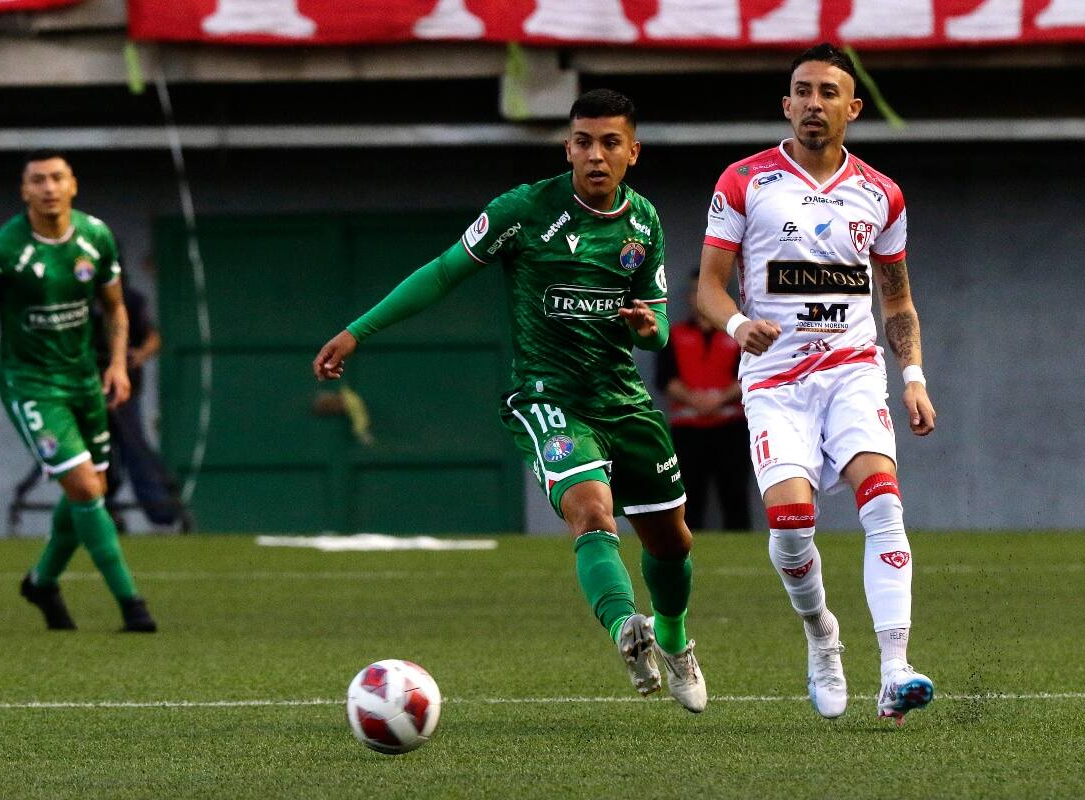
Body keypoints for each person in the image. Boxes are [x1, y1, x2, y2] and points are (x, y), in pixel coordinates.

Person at [314, 89, 706, 712]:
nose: (596, 155)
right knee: (591, 513)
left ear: (632, 152)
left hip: (623, 401)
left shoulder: (644, 222)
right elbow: (444, 271)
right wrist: (357, 330)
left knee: (672, 542)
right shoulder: (522, 211)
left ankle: (674, 640)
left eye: (610, 143)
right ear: (567, 148)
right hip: (548, 396)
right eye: (583, 142)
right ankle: (625, 627)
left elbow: (656, 326)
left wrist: (646, 327)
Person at [698, 43, 937, 723]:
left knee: (883, 500)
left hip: (852, 372)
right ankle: (821, 634)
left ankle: (895, 669)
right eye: (802, 91)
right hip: (775, 382)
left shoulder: (882, 194)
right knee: (792, 524)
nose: (813, 103)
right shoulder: (744, 181)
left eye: (828, 92)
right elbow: (710, 288)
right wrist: (738, 324)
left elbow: (897, 300)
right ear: (786, 104)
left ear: (852, 108)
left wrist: (913, 377)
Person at [0, 150, 157, 633]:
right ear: (24, 190)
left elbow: (115, 307)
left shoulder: (95, 236)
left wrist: (118, 366)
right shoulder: (0, 251)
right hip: (31, 385)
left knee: (91, 490)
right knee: (85, 487)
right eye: (38, 180)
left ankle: (42, 582)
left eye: (57, 178)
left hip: (84, 380)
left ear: (73, 185)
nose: (48, 187)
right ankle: (133, 606)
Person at [657, 269, 752, 531]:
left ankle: (742, 550)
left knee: (735, 496)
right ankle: (686, 550)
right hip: (687, 429)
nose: (699, 297)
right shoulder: (673, 334)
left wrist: (719, 399)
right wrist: (695, 400)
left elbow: (750, 375)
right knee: (688, 500)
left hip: (731, 427)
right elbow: (665, 379)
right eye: (695, 291)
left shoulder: (740, 333)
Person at [90, 270, 183, 529]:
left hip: (123, 391)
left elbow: (153, 338)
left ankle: (162, 511)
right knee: (95, 453)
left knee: (134, 447)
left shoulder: (129, 299)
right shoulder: (80, 298)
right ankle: (103, 510)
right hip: (87, 389)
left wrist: (136, 356)